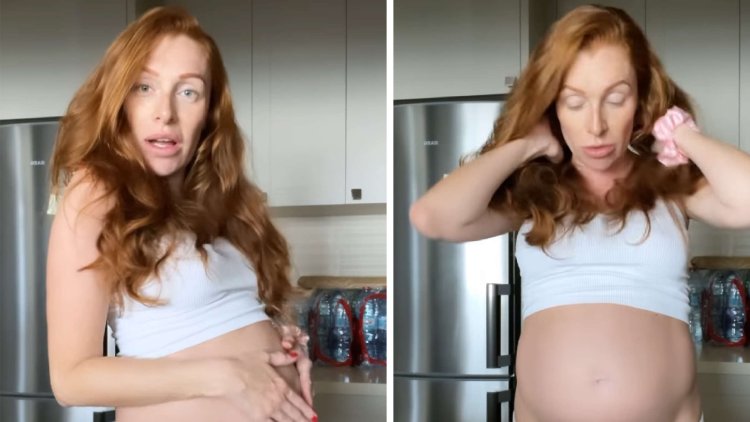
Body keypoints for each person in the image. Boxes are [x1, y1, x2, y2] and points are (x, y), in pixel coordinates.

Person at [410, 5, 750, 422]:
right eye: (573, 102)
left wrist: (680, 133)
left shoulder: (671, 184)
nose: (596, 126)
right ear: (551, 105)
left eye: (616, 99)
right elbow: (432, 217)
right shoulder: (534, 192)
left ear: (641, 100)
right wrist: (527, 144)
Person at [46, 7, 317, 422]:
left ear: (209, 110)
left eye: (188, 92)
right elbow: (71, 380)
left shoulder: (219, 196)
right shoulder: (97, 193)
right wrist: (233, 376)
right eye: (144, 87)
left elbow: (211, 319)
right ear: (119, 100)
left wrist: (280, 343)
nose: (166, 112)